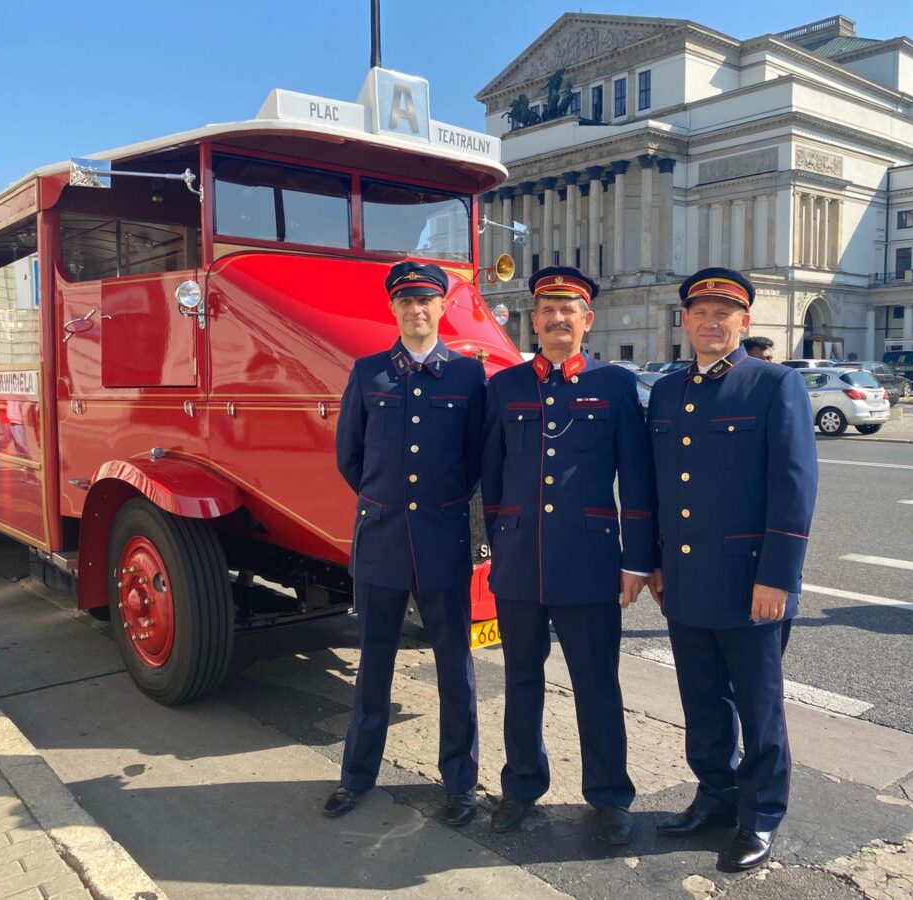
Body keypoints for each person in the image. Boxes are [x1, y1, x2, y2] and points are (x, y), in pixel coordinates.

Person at [640, 267, 817, 870]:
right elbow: (660, 487)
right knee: (702, 701)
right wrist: (655, 563)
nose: (711, 323)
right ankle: (714, 797)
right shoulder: (666, 392)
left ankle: (761, 815)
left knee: (758, 705)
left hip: (750, 585)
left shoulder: (774, 384)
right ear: (684, 320)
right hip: (685, 581)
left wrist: (779, 576)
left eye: (725, 313)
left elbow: (793, 488)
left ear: (745, 321)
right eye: (700, 312)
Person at [481, 265, 653, 845]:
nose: (558, 320)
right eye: (547, 311)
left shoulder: (616, 386)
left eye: (568, 311)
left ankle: (609, 797)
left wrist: (636, 560)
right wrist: (495, 546)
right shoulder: (504, 387)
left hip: (588, 562)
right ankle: (522, 786)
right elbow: (492, 477)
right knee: (521, 680)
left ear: (587, 321)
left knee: (596, 684)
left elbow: (637, 478)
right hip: (520, 561)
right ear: (533, 320)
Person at [328, 261, 486, 827]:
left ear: (442, 307)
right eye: (406, 302)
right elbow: (351, 456)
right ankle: (356, 776)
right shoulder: (369, 373)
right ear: (392, 309)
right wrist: (386, 502)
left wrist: (439, 507)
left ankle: (461, 783)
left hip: (441, 542)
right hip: (382, 542)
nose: (417, 310)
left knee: (454, 668)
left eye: (427, 301)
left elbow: (474, 462)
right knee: (373, 664)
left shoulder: (468, 377)